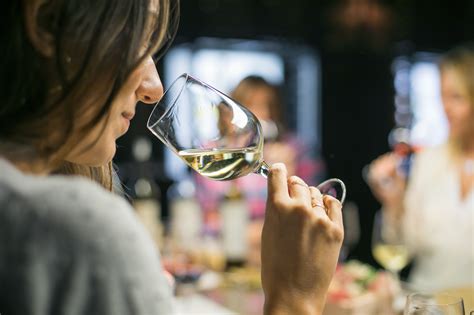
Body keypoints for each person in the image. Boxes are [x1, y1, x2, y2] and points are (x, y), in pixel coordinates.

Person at [0, 1, 344, 315]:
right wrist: (296, 298)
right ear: (47, 23)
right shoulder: (77, 227)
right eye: (139, 38)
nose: (154, 88)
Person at [367, 44, 474, 292]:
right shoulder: (429, 161)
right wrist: (394, 201)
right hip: (425, 302)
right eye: (442, 96)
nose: (445, 107)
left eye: (456, 97)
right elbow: (405, 246)